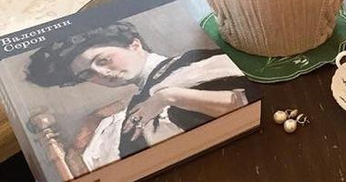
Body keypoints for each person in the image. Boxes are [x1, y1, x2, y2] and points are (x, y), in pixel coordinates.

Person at [26, 22, 252, 170]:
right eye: (88, 74)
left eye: (103, 60)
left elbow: (244, 104)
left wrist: (168, 96)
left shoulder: (194, 64)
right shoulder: (137, 104)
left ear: (134, 45)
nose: (101, 73)